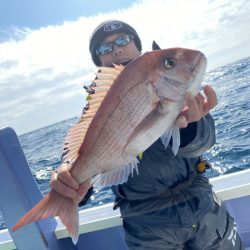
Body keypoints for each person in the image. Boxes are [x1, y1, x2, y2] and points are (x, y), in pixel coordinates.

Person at [50, 20, 244, 249]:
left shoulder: (175, 89)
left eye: (122, 40)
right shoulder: (94, 112)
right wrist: (69, 182)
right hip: (145, 224)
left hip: (201, 204)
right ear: (99, 63)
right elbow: (80, 157)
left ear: (138, 45)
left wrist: (191, 126)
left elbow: (206, 141)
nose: (115, 49)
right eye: (104, 48)